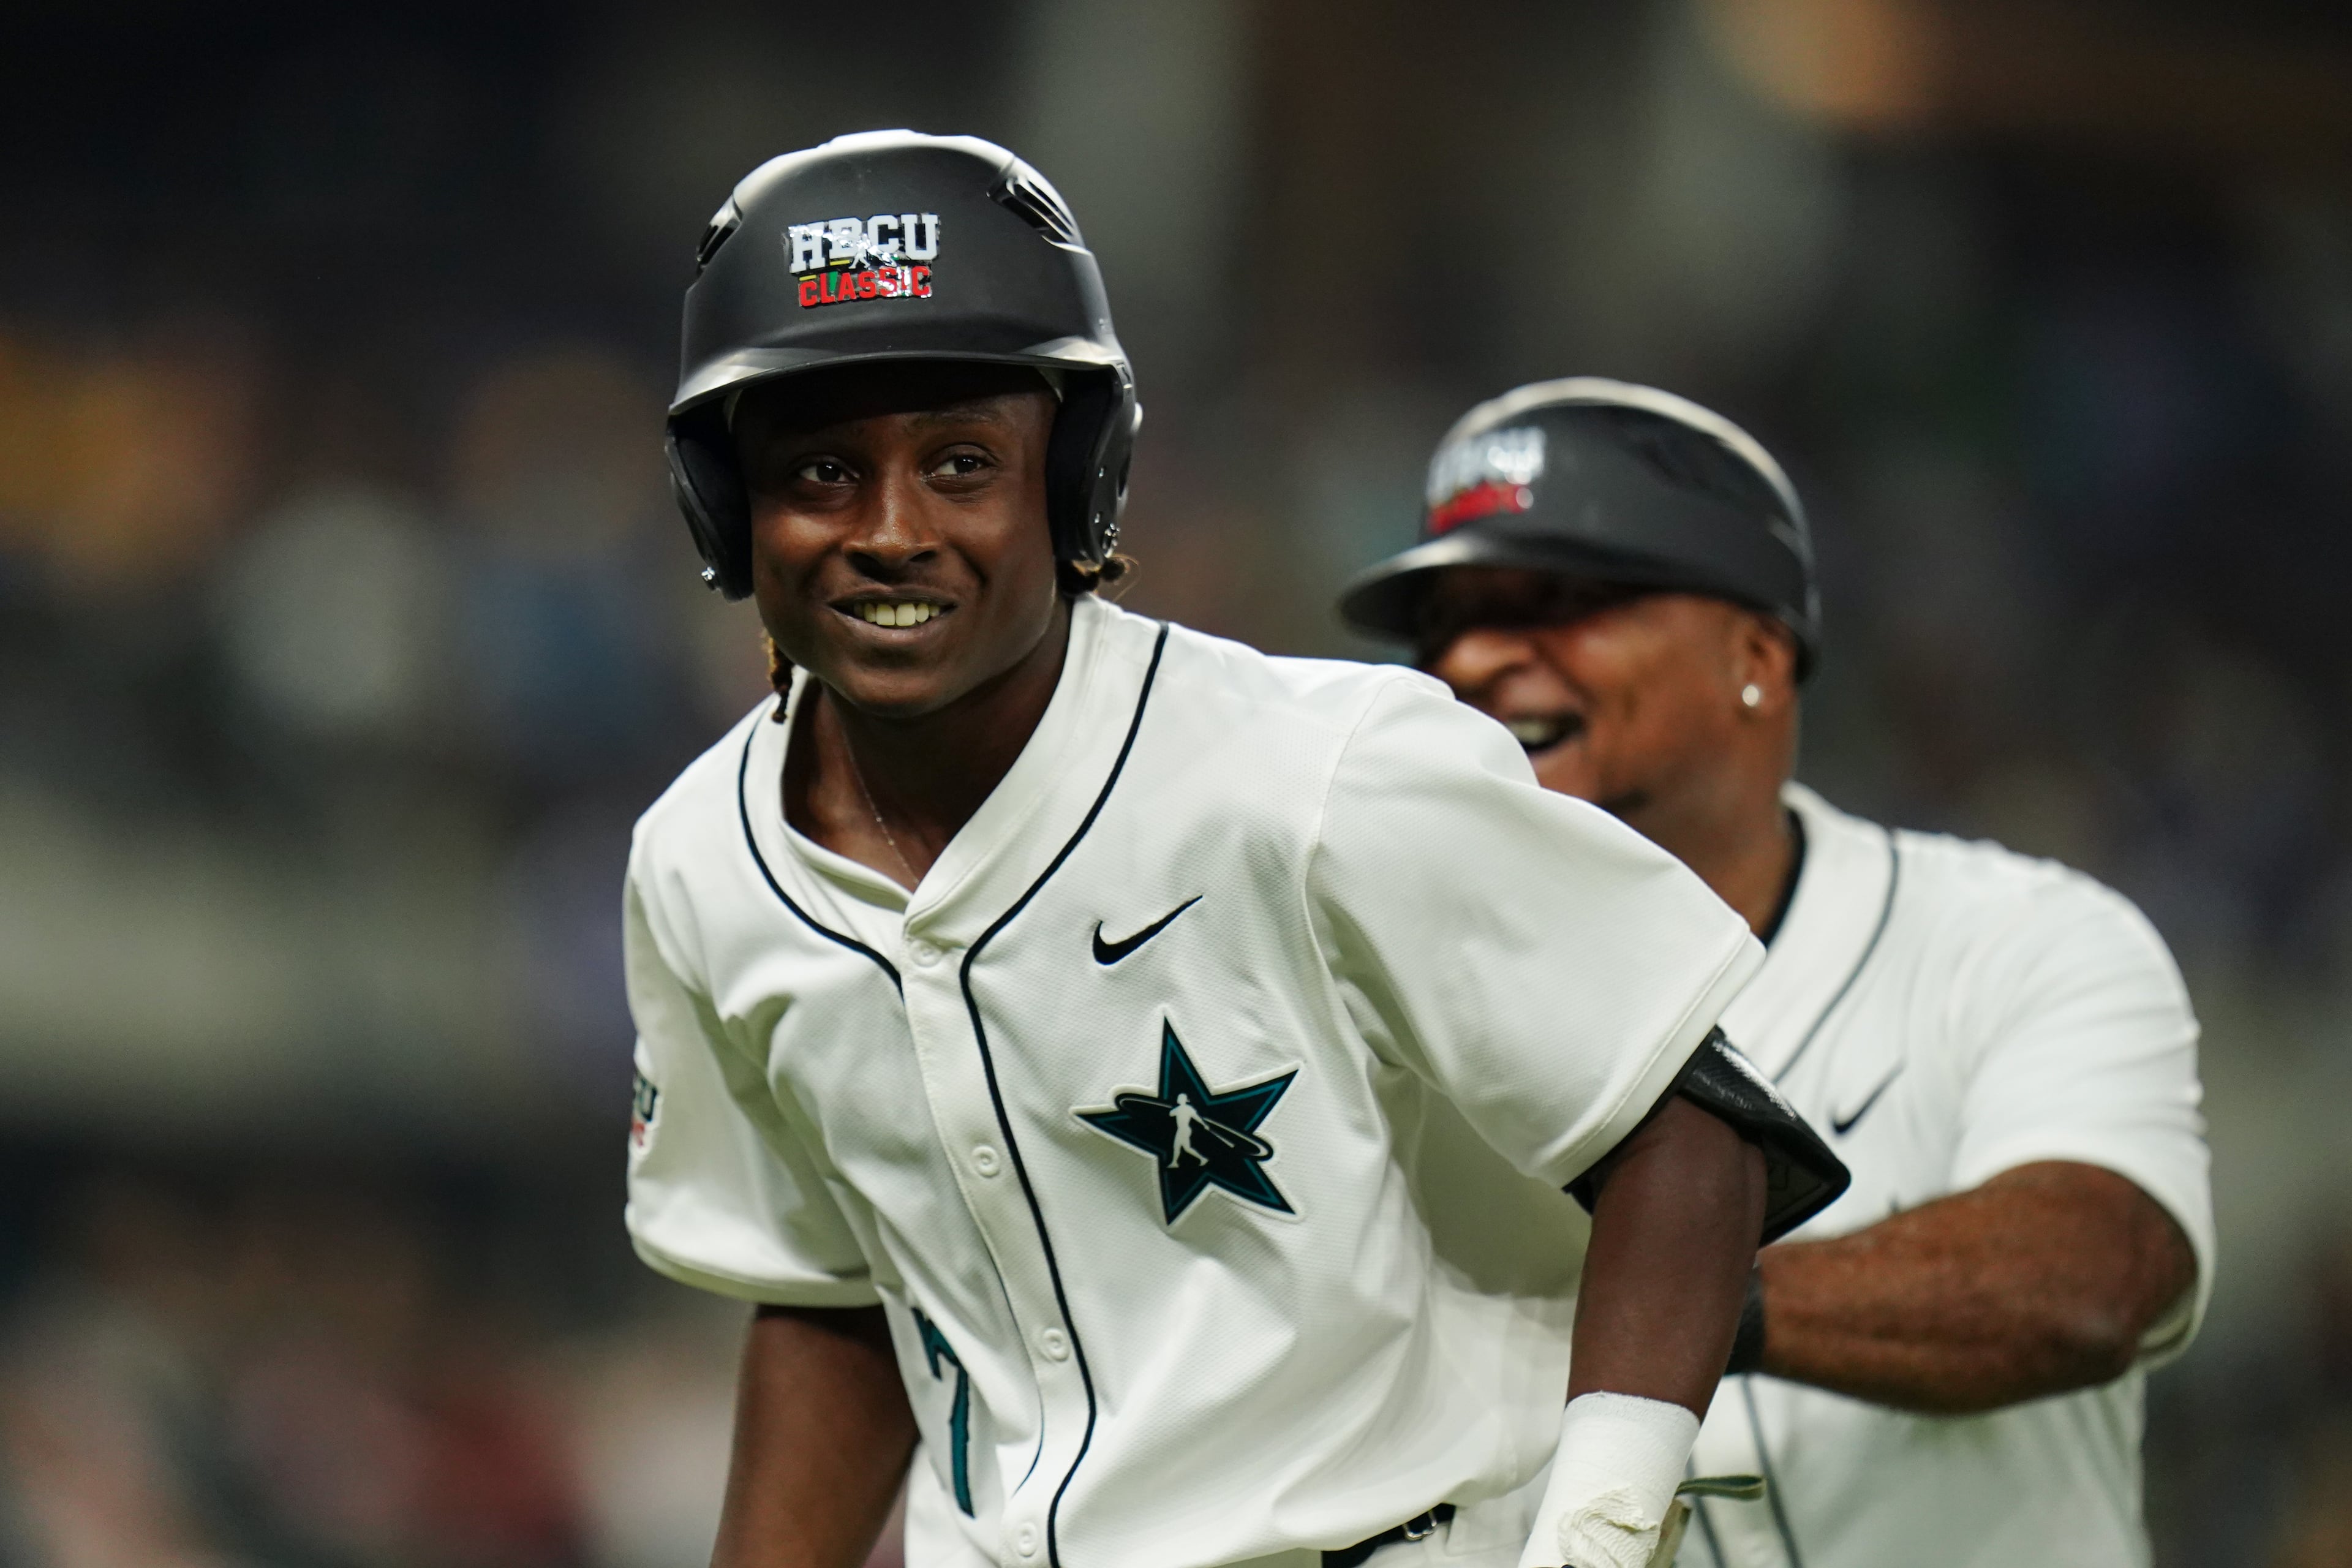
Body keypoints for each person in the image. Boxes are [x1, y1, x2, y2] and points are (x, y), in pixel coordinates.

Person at [622, 135, 1847, 1568]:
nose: (892, 530)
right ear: (728, 507)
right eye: (821, 471)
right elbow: (836, 1293)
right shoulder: (701, 863)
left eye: (961, 463)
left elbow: (1691, 1127)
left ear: (1074, 483)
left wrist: (1600, 1528)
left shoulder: (1318, 770)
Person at [1336, 379, 2214, 1568]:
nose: (1475, 657)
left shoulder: (2016, 941)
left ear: (1755, 654)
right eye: (1444, 624)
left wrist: (1668, 1298)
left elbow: (2095, 1274)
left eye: (1561, 604)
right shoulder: (1376, 1005)